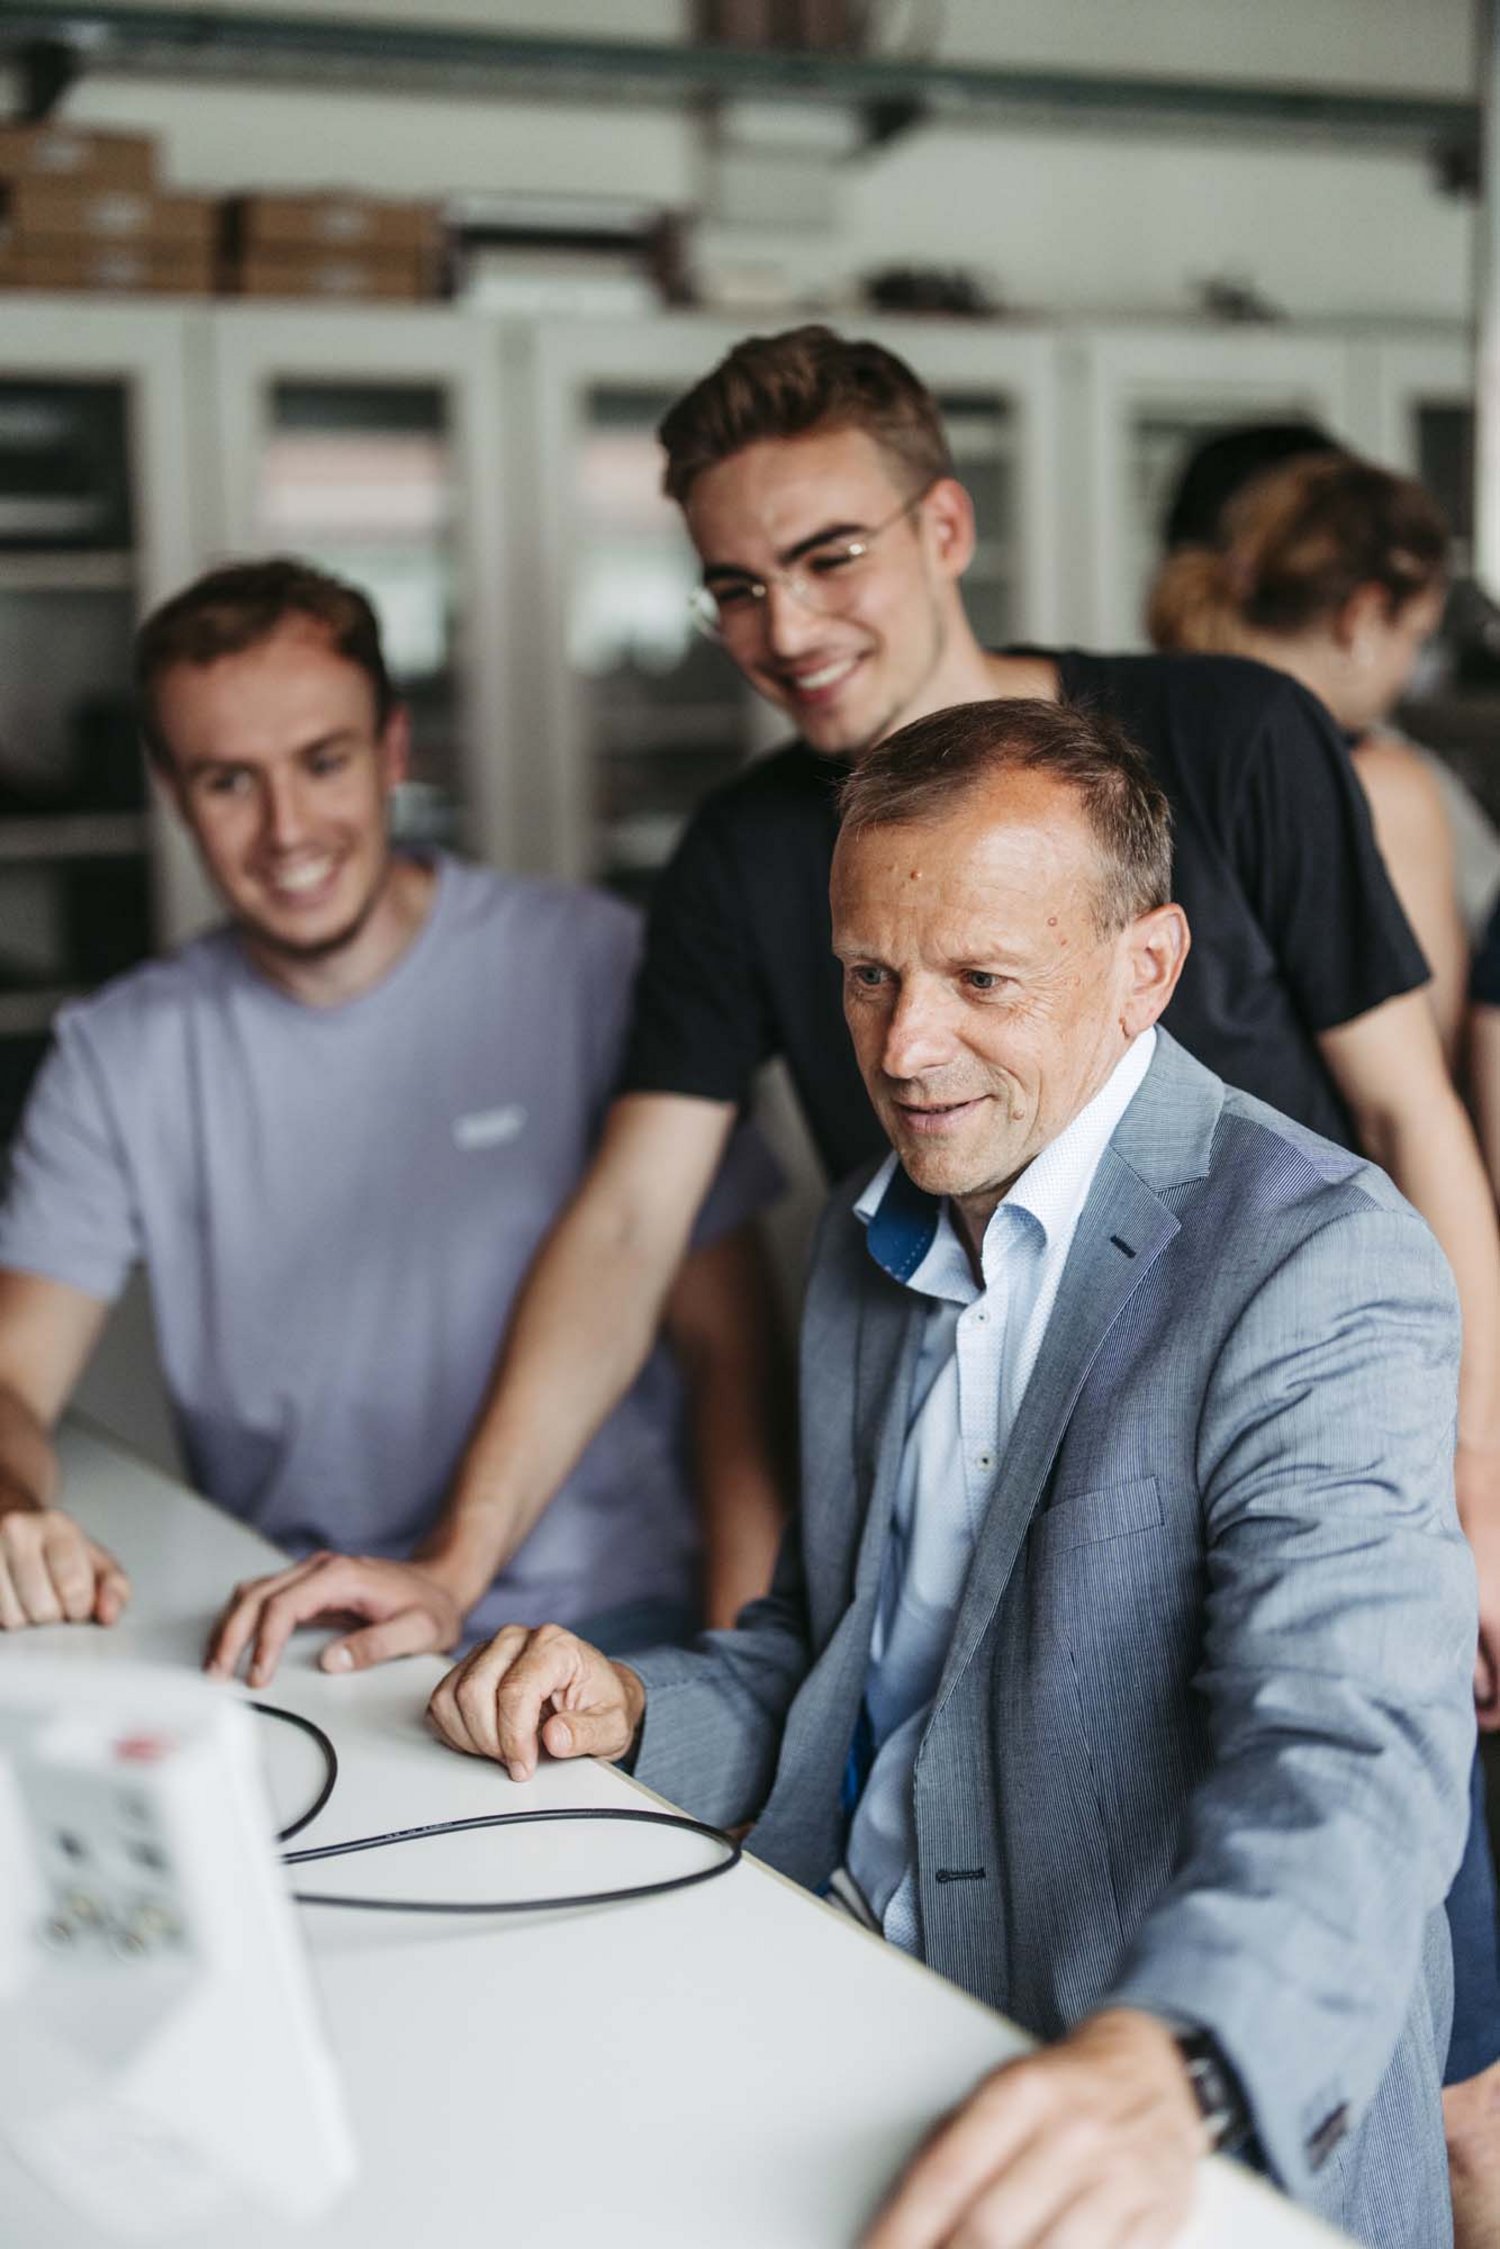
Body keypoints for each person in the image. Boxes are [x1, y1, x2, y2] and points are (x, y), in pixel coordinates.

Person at [234, 325, 1500, 1719]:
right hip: (989, 1515)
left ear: (944, 525)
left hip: (1293, 1459)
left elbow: (1406, 1115)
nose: (784, 631)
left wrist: (1471, 1485)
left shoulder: (1237, 735)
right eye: (736, 586)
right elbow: (629, 1222)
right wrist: (455, 1561)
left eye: (830, 556)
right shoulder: (738, 854)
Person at [429, 699, 1477, 2249]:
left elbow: (1355, 1752)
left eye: (984, 980)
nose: (906, 1051)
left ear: (1148, 969)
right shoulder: (871, 1242)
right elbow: (828, 1653)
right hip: (844, 2014)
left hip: (1136, 2119)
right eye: (870, 976)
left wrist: (1164, 2059)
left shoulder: (1318, 1260)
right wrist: (638, 1710)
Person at [0, 559, 788, 1666]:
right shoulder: (117, 1052)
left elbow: (731, 1356)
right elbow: (9, 1374)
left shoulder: (593, 966)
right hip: (299, 1622)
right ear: (172, 792)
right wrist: (9, 1513)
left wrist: (740, 1680)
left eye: (322, 762)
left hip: (601, 1625)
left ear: (394, 751)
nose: (285, 828)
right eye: (228, 781)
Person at [1149, 446, 1470, 1061]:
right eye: (1417, 637)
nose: (1409, 670)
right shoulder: (1384, 785)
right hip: (1316, 1153)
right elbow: (1431, 1050)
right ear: (1363, 615)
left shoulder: (1125, 736)